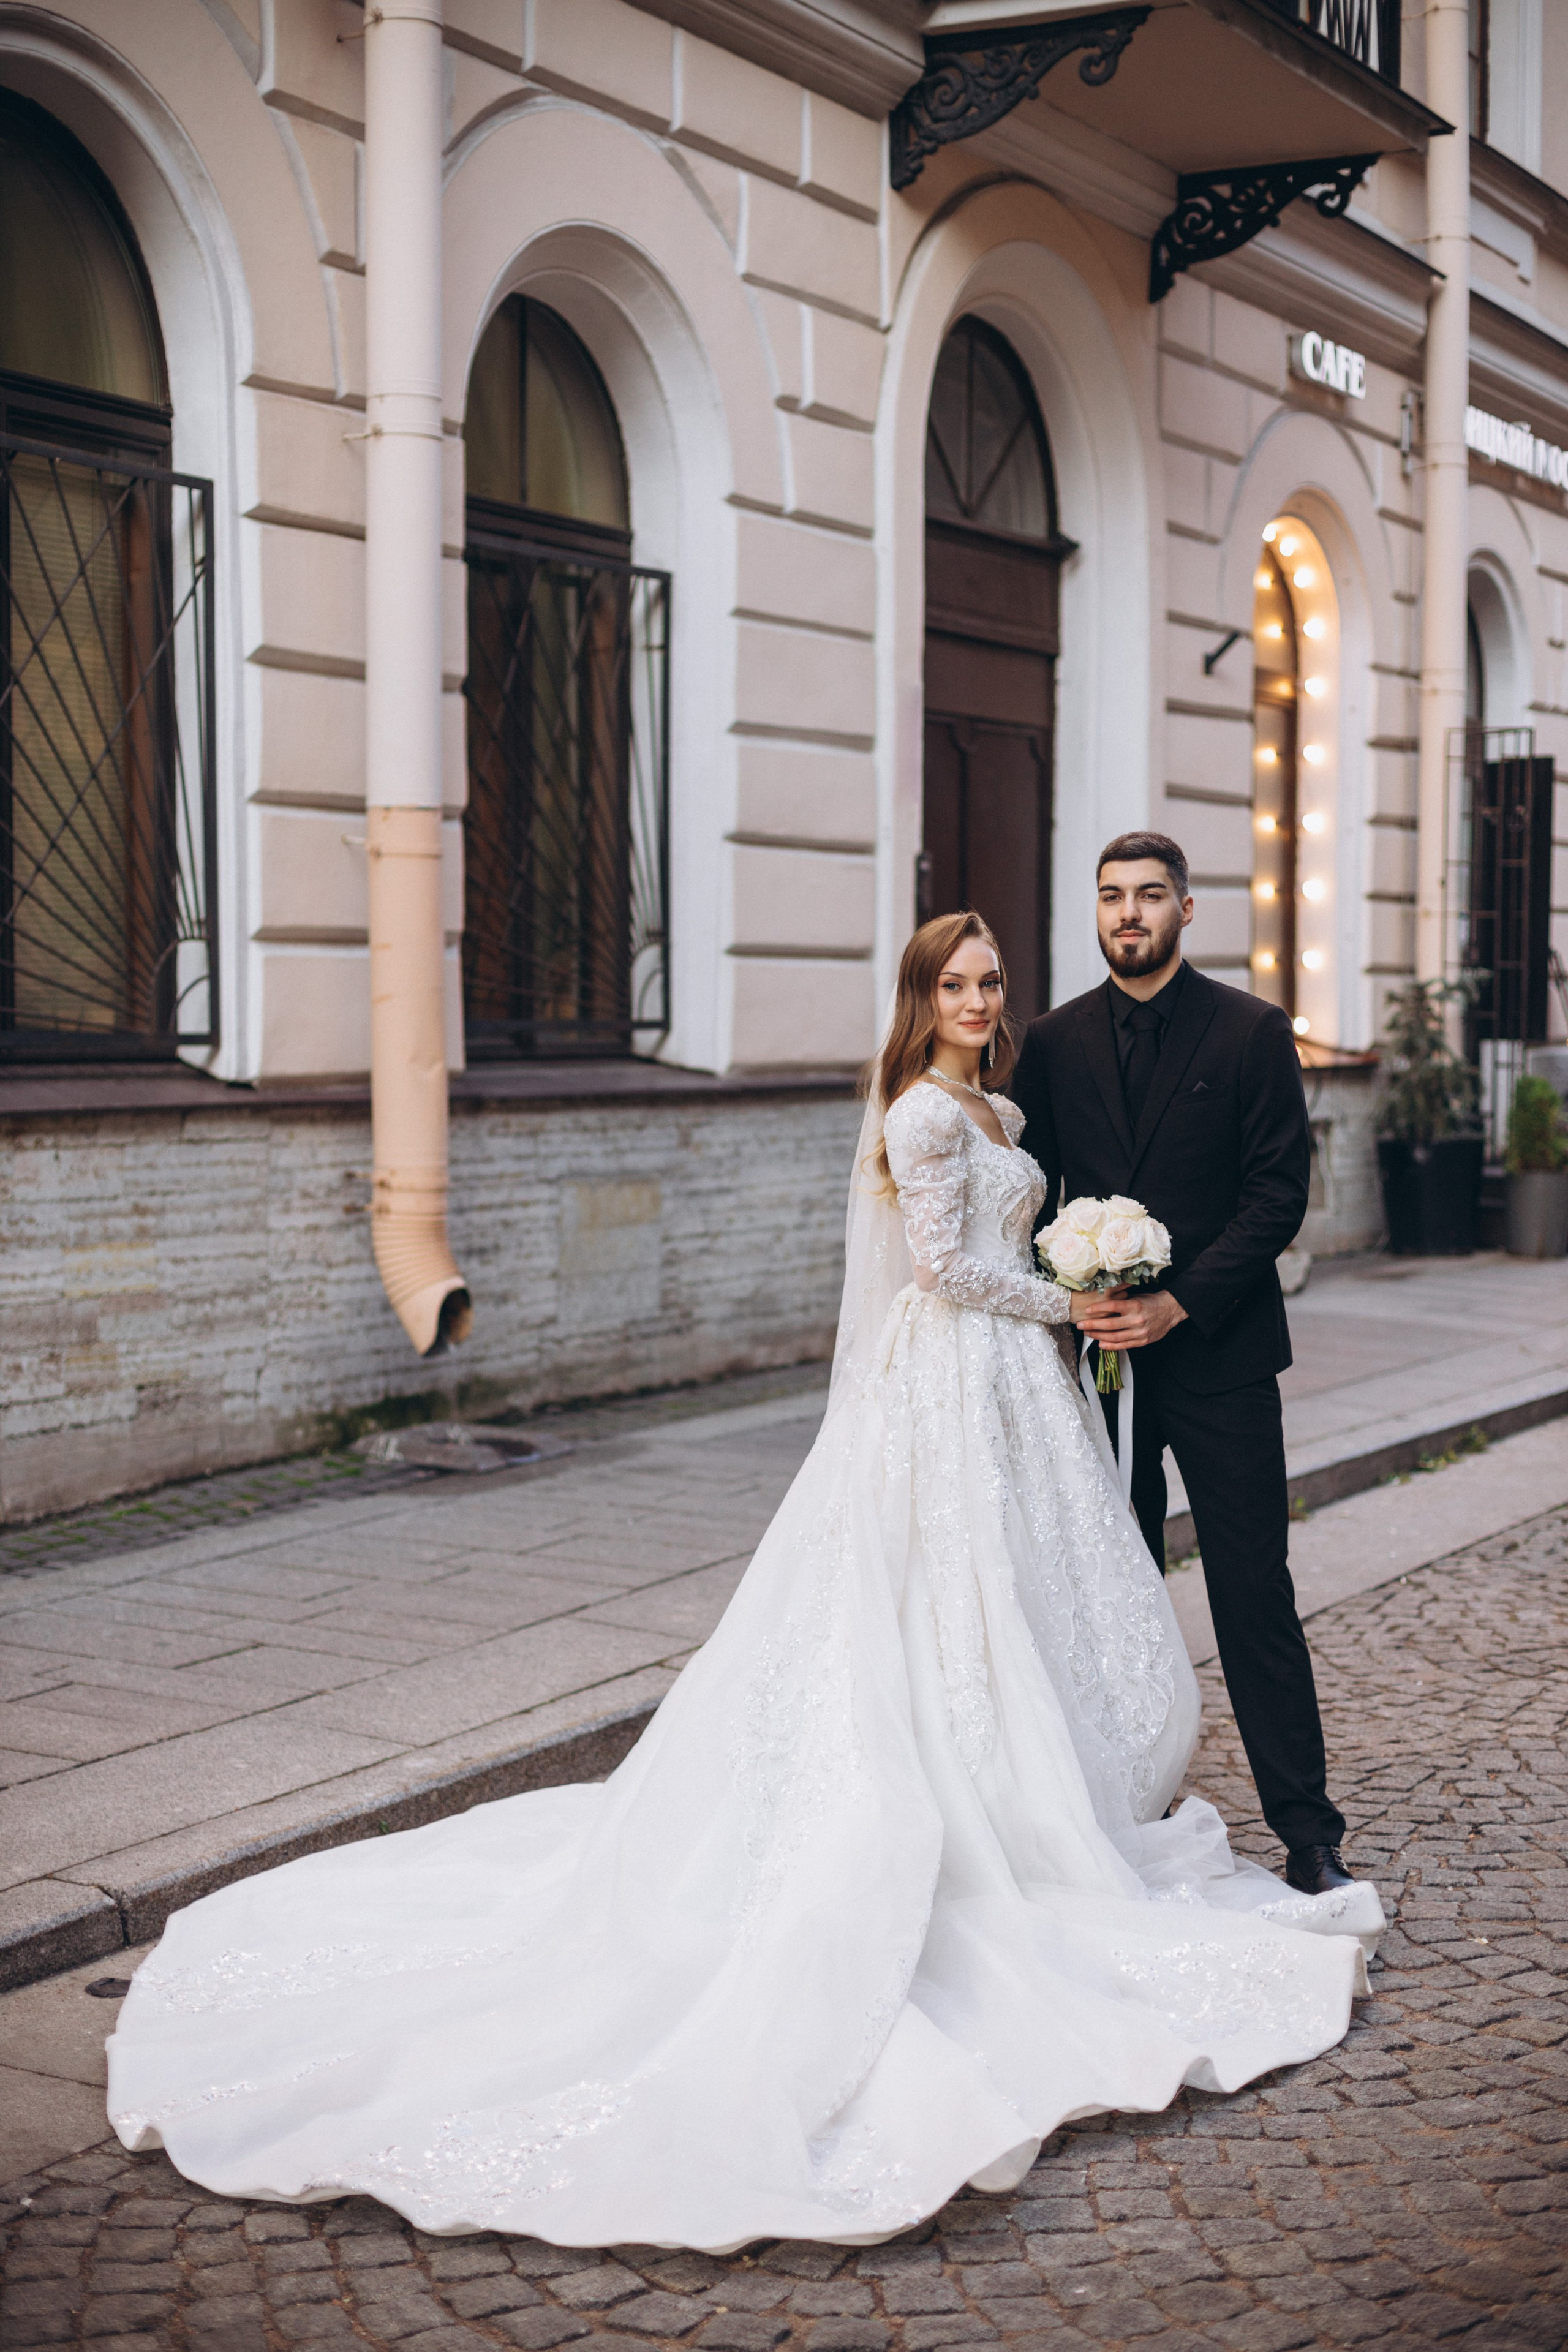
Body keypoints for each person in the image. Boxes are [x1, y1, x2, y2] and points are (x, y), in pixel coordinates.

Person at [107, 911, 1381, 2253]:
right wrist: (1071, 1300)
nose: (974, 997)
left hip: (1016, 1393)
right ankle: (963, 1804)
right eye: (951, 982)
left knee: (1026, 1600)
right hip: (953, 1379)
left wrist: (1080, 1276)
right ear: (917, 995)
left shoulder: (999, 1103)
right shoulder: (917, 1116)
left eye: (989, 980)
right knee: (939, 1606)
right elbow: (945, 1272)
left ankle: (1043, 1787)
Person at [1010, 832, 1353, 1899]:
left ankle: (1308, 1831)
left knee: (1254, 1592)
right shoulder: (1054, 1041)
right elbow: (1029, 1192)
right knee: (1110, 1591)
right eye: (1110, 897)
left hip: (1222, 1360)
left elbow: (1277, 1196)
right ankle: (1129, 1806)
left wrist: (1180, 1303)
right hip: (1101, 1372)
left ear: (1187, 910)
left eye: (1148, 896)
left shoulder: (1251, 1032)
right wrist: (1067, 1301)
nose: (1128, 914)